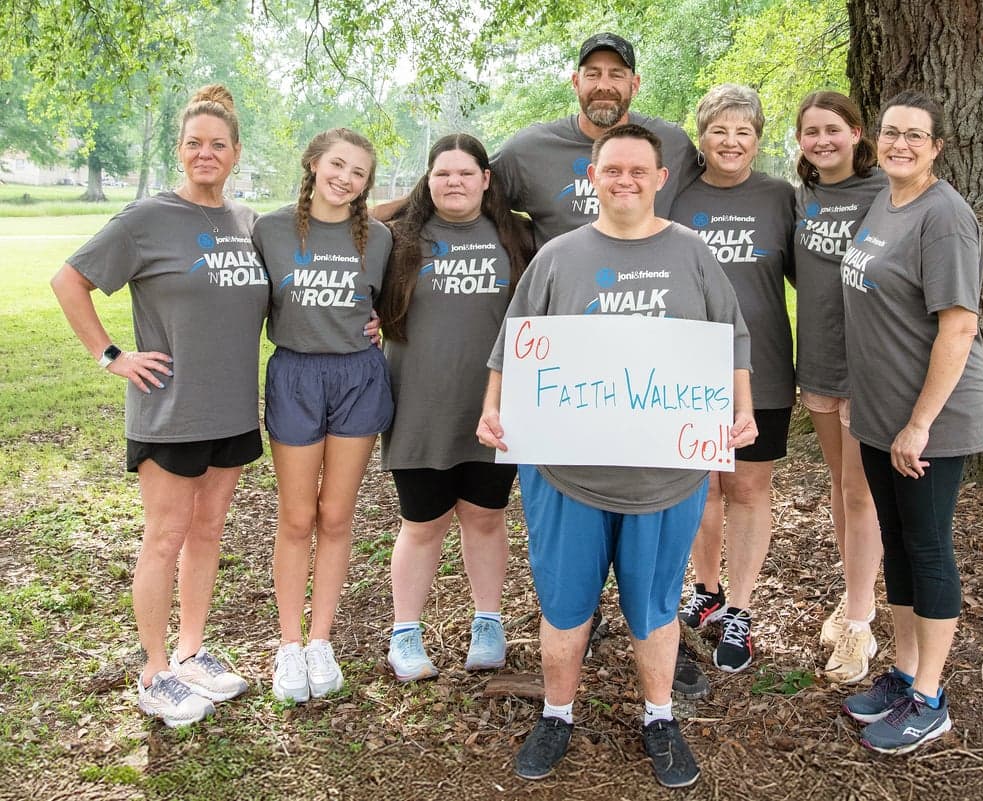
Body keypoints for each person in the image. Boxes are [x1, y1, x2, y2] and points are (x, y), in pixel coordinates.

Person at [477, 124, 757, 789]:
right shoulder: (559, 257)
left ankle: (659, 717)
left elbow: (732, 337)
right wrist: (495, 407)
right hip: (566, 474)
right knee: (566, 608)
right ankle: (556, 712)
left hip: (665, 474)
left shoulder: (692, 254)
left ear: (660, 179)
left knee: (656, 608)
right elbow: (512, 342)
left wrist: (740, 409)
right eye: (612, 170)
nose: (625, 180)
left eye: (639, 170)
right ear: (593, 179)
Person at [50, 85, 267, 727]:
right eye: (195, 143)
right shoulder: (147, 218)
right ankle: (154, 671)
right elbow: (70, 280)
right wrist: (111, 355)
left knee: (207, 533)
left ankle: (193, 652)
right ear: (180, 150)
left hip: (232, 411)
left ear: (235, 154)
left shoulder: (248, 223)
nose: (207, 153)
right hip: (170, 411)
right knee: (165, 537)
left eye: (218, 144)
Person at [840, 90, 983, 754]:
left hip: (931, 418)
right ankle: (903, 673)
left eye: (915, 135)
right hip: (880, 412)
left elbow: (958, 327)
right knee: (897, 545)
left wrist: (919, 423)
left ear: (936, 146)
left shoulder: (945, 217)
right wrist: (862, 393)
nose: (900, 143)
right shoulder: (886, 199)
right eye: (891, 132)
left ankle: (931, 697)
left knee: (927, 546)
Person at [377, 134, 533, 682]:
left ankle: (488, 622)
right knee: (421, 521)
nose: (455, 183)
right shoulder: (398, 239)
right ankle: (405, 633)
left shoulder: (516, 237)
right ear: (428, 179)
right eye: (443, 173)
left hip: (494, 405)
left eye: (466, 173)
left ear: (486, 179)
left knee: (486, 517)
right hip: (419, 403)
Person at [254, 128, 393, 704]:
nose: (346, 178)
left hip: (357, 377)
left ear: (367, 185)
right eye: (338, 164)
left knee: (336, 516)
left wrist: (382, 321)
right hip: (295, 376)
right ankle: (288, 643)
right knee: (296, 516)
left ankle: (320, 640)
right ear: (313, 164)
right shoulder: (269, 229)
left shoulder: (379, 238)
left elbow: (386, 303)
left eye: (359, 172)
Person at [667, 84, 795, 675]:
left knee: (747, 488)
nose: (731, 141)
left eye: (744, 131)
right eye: (720, 130)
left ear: (759, 139)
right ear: (702, 136)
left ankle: (740, 610)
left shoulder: (780, 197)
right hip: (687, 369)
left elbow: (816, 277)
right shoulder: (678, 194)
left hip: (762, 367)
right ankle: (706, 590)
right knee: (703, 488)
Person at [793, 91, 889, 683]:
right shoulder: (801, 197)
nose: (822, 140)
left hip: (869, 366)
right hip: (819, 361)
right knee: (840, 484)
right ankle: (855, 594)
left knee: (860, 493)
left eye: (833, 129)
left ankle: (860, 623)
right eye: (810, 132)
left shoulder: (885, 194)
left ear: (856, 132)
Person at [489, 32, 701, 249]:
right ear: (576, 82)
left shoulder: (672, 143)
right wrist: (518, 247)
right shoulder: (529, 150)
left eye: (616, 74)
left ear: (635, 84)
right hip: (569, 281)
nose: (604, 85)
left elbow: (721, 185)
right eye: (593, 74)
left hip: (649, 280)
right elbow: (471, 194)